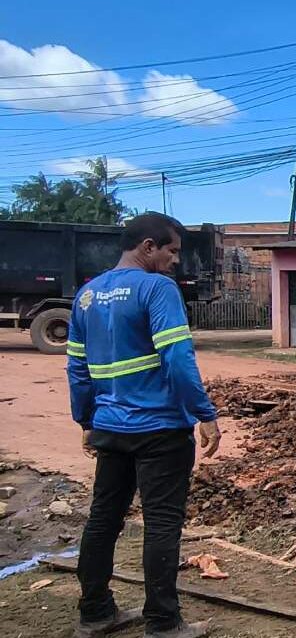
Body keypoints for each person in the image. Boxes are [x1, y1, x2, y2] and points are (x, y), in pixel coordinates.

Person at [68, 212, 221, 638]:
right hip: (160, 430)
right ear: (148, 247)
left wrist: (85, 418)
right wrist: (204, 413)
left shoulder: (86, 296)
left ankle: (95, 614)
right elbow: (176, 358)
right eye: (172, 251)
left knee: (102, 519)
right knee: (162, 524)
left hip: (110, 428)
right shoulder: (157, 288)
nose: (175, 261)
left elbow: (77, 368)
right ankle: (163, 623)